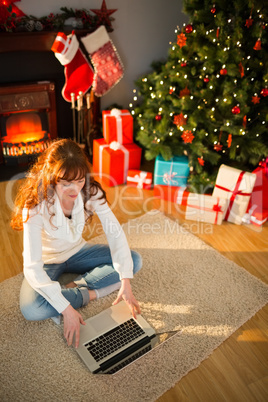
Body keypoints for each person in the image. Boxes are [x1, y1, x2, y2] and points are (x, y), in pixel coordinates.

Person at [11, 139, 142, 348]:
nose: (74, 189)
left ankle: (72, 287)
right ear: (51, 178)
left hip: (78, 252)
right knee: (32, 308)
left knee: (133, 261)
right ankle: (90, 293)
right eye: (66, 184)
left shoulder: (90, 192)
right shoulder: (35, 205)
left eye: (80, 180)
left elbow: (115, 233)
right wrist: (66, 309)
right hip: (49, 261)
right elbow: (32, 267)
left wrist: (125, 282)